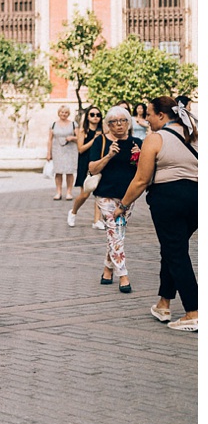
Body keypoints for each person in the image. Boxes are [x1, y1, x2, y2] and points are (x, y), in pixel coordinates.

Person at [116, 97, 198, 332]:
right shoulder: (195, 134)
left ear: (162, 116)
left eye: (150, 114)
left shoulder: (155, 138)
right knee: (173, 249)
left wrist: (122, 205)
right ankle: (163, 303)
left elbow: (141, 179)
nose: (147, 119)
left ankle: (194, 311)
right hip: (197, 198)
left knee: (177, 253)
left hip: (169, 199)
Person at [87, 106, 141, 294]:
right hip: (106, 195)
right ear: (108, 125)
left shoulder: (137, 142)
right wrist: (109, 155)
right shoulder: (100, 141)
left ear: (128, 123)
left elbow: (141, 172)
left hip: (128, 197)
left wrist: (138, 158)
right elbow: (93, 169)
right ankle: (123, 275)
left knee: (117, 234)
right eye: (114, 122)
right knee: (115, 232)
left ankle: (107, 269)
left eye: (123, 121)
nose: (119, 125)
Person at [67, 105, 105, 228]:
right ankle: (73, 212)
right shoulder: (83, 131)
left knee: (99, 193)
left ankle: (96, 221)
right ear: (88, 117)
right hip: (85, 162)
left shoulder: (103, 130)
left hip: (99, 161)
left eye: (98, 115)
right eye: (92, 114)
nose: (95, 117)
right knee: (85, 193)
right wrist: (94, 139)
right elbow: (80, 149)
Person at [47, 105, 78, 201]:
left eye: (65, 112)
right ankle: (58, 192)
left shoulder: (73, 124)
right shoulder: (53, 124)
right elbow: (50, 139)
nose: (63, 114)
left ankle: (69, 192)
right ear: (58, 113)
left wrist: (72, 138)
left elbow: (80, 137)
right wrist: (49, 153)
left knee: (69, 172)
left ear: (68, 114)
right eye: (62, 112)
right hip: (57, 149)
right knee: (58, 171)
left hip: (70, 149)